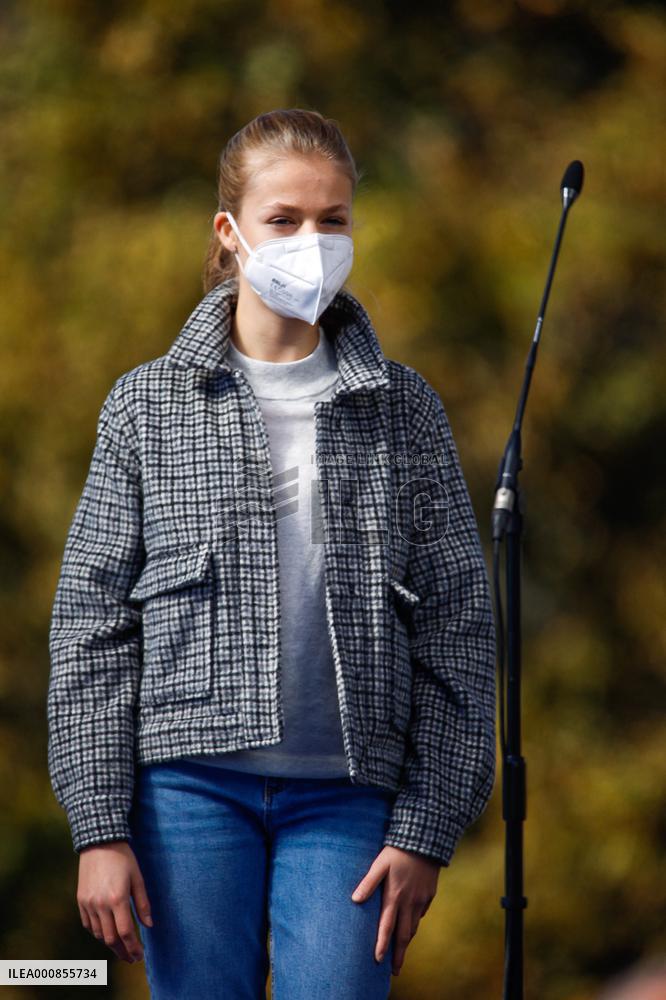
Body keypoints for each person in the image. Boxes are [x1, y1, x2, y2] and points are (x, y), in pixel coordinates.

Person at [47, 108, 497, 1000]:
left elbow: (460, 629)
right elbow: (90, 625)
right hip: (185, 794)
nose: (312, 241)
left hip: (350, 796)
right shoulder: (147, 406)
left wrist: (426, 828)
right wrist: (99, 826)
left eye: (334, 220)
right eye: (284, 219)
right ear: (230, 231)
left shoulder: (405, 410)